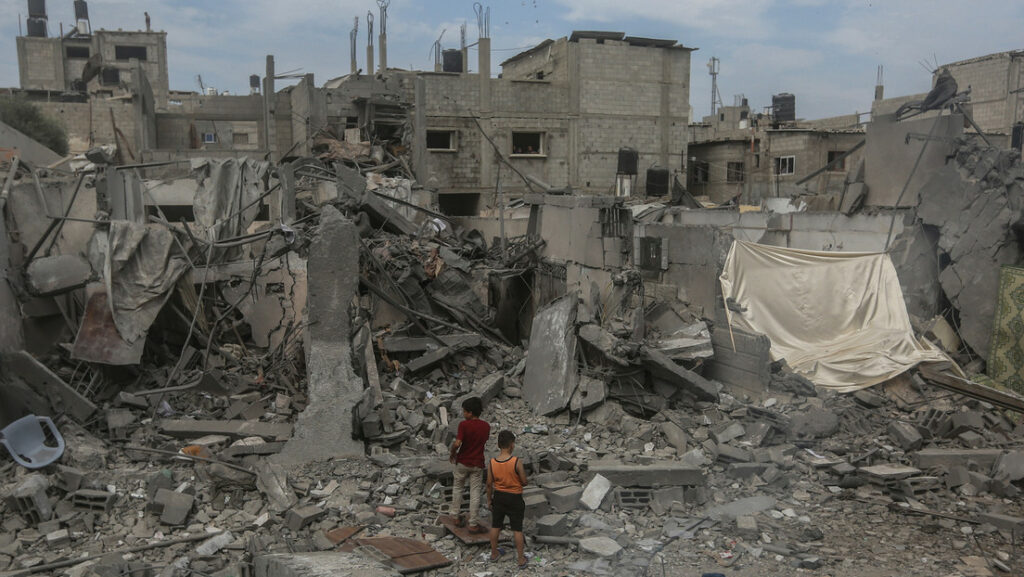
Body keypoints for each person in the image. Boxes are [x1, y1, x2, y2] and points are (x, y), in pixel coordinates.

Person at [486, 430, 528, 568]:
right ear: (512, 445)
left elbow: (489, 484)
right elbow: (524, 481)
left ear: (498, 445)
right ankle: (521, 559)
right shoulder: (516, 462)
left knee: (495, 526)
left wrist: (489, 500)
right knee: (517, 529)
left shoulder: (492, 463)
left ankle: (494, 553)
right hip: (515, 498)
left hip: (499, 497)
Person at [449, 396, 490, 533]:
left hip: (463, 461)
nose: (463, 414)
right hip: (477, 463)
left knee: (458, 488)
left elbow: (457, 443)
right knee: (475, 492)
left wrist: (452, 453)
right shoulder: (486, 426)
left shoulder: (464, 425)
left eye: (464, 411)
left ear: (470, 412)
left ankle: (455, 516)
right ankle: (473, 523)